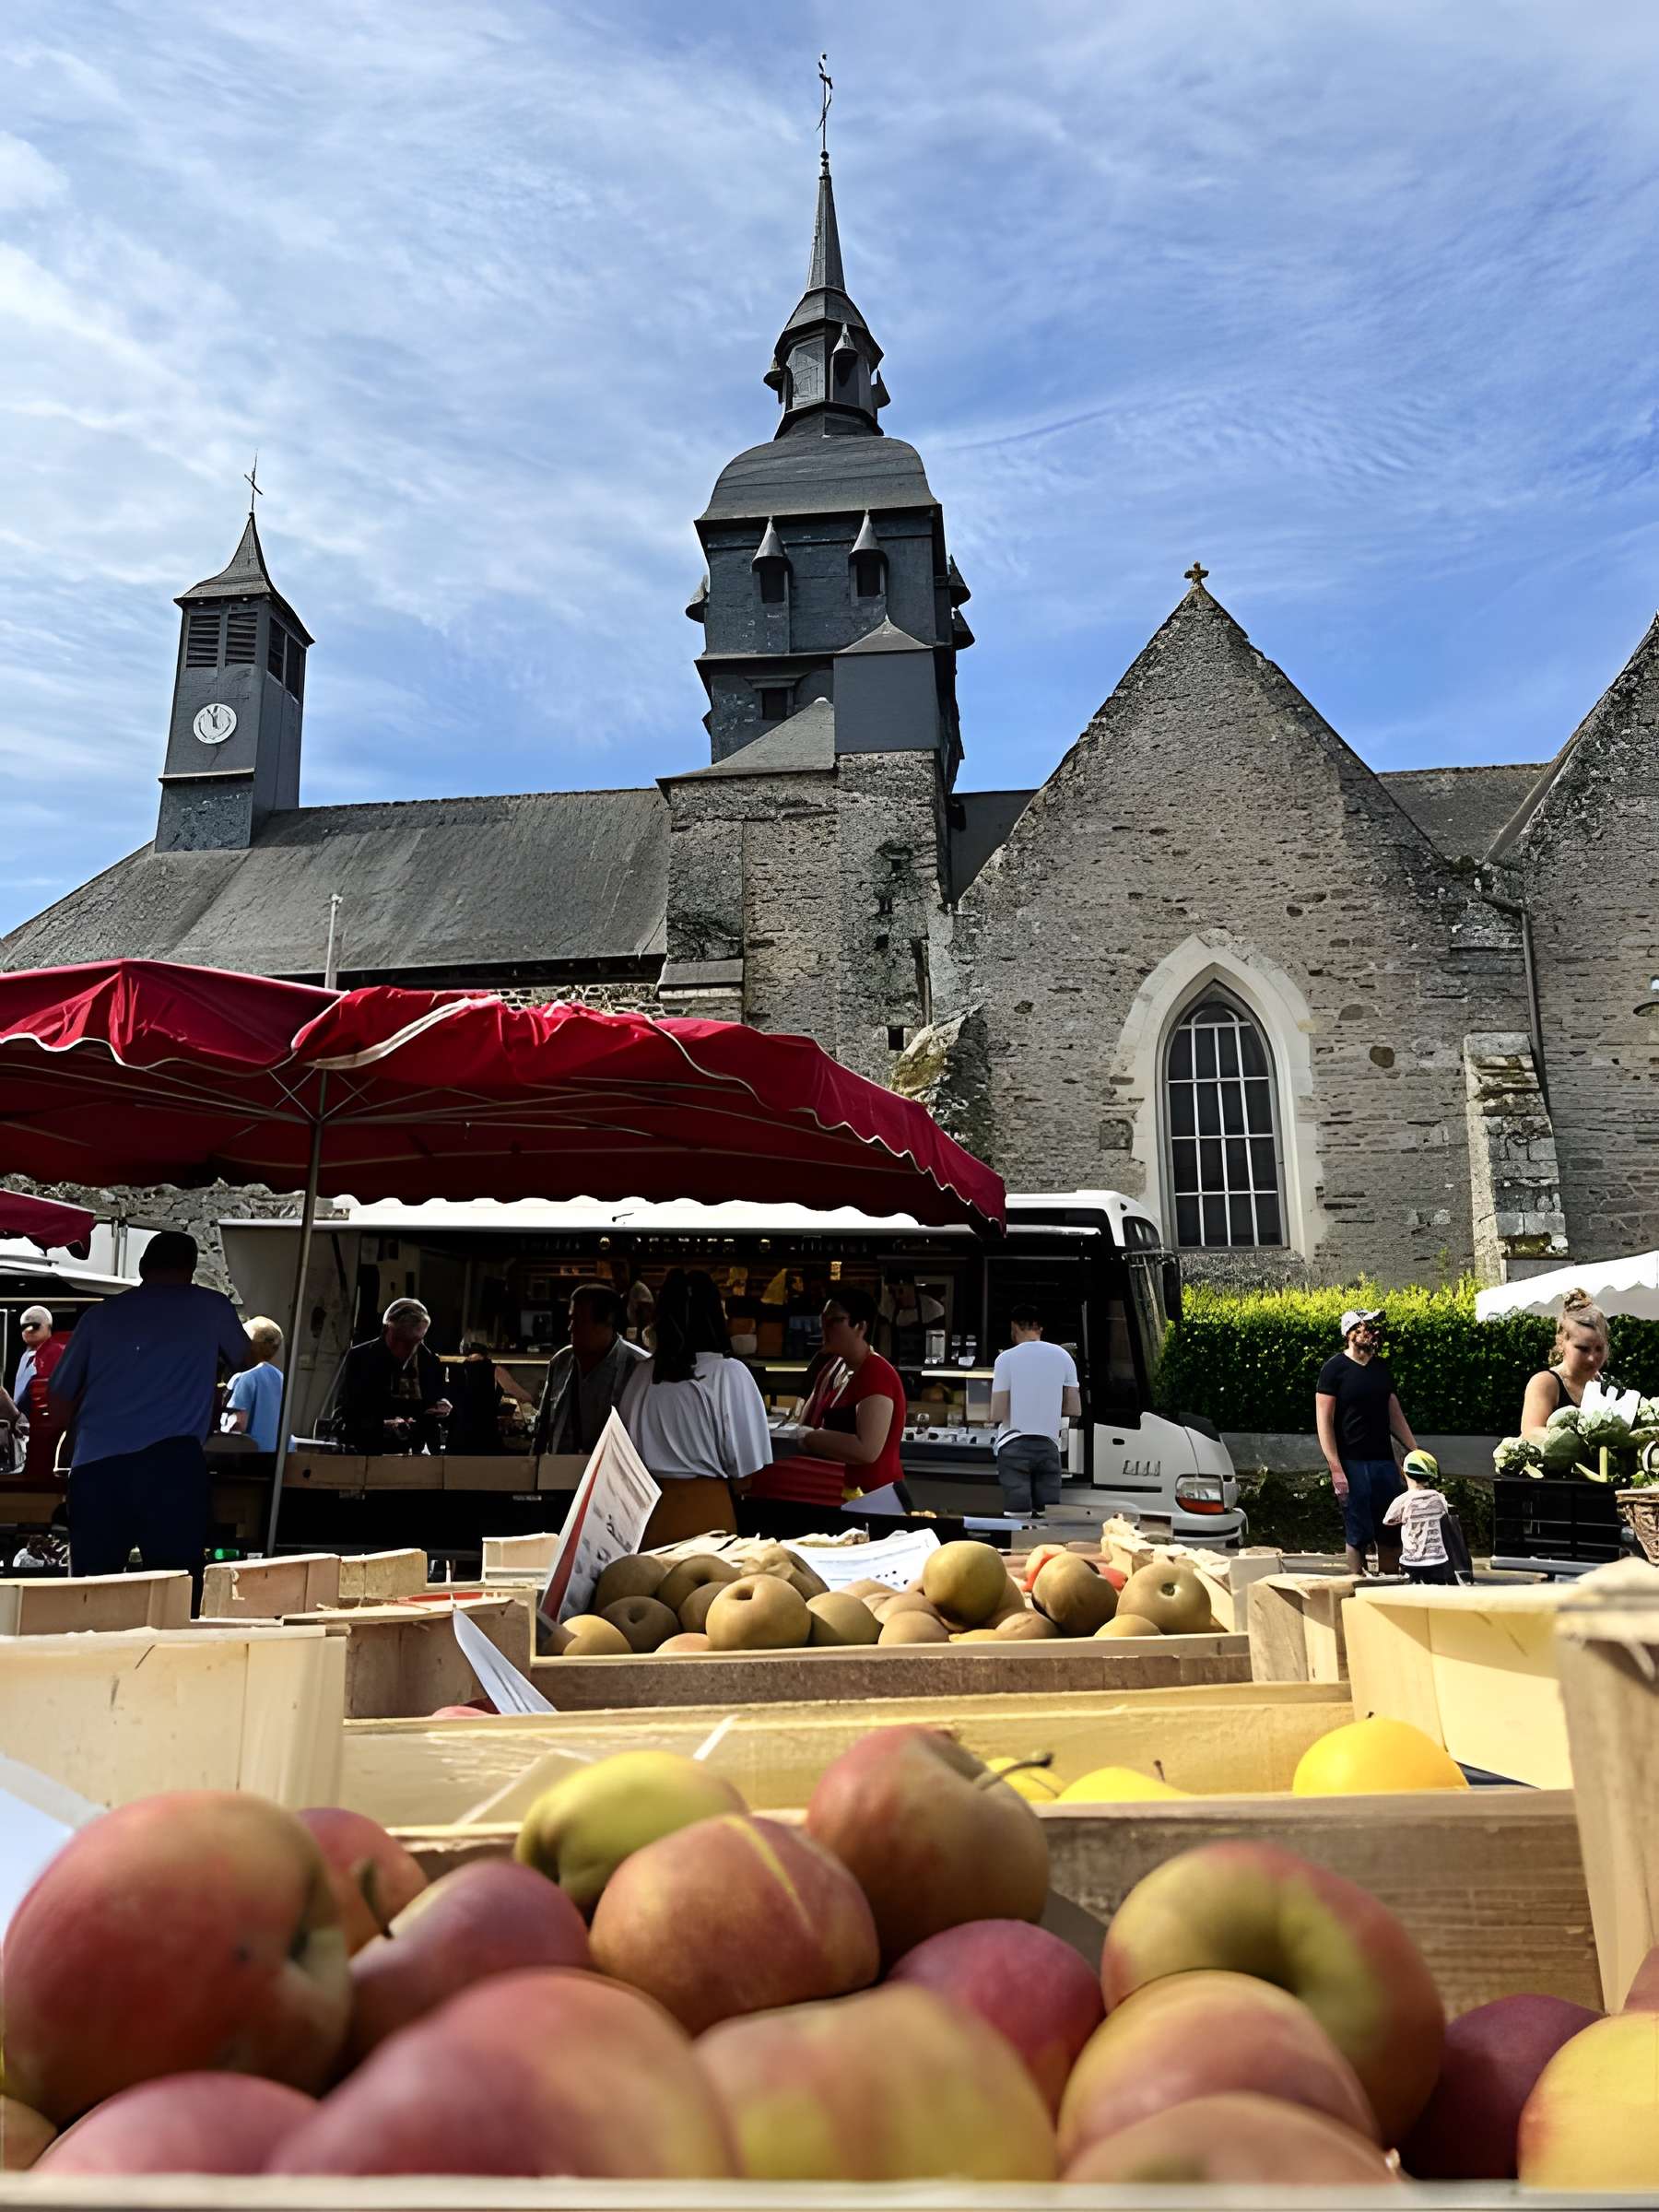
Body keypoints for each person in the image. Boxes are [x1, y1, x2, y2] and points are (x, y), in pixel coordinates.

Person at [48, 1231, 253, 1606]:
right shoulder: (212, 1308)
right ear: (191, 1269)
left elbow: (59, 1401)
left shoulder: (100, 1317)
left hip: (98, 1468)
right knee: (175, 1594)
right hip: (172, 1466)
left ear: (142, 1267)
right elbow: (247, 1359)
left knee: (88, 1595)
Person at [619, 1269, 771, 1545]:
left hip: (646, 1522)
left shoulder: (641, 1375)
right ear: (717, 1315)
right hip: (708, 1522)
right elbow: (747, 1475)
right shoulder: (728, 1374)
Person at [754, 1287, 909, 1511]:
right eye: (822, 1320)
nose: (824, 1328)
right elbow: (805, 1422)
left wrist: (811, 1437)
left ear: (861, 1327)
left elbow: (866, 1449)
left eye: (834, 1321)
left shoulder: (876, 1372)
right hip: (844, 1496)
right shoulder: (834, 1367)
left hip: (874, 1500)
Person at [1314, 1307, 1418, 1576]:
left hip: (1383, 1460)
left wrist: (1414, 1452)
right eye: (1367, 1328)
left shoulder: (1381, 1368)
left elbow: (1394, 1414)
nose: (1373, 1333)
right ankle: (1356, 1584)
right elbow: (1324, 1421)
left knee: (1391, 1527)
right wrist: (1336, 1467)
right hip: (1352, 1461)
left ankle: (1390, 1583)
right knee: (1358, 1531)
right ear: (1351, 1334)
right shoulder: (1334, 1369)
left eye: (1374, 1328)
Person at [991, 1303, 1082, 1519]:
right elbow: (1074, 1408)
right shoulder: (1063, 1357)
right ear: (1040, 1328)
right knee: (1048, 1515)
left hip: (1013, 1445)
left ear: (1014, 1327)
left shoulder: (1005, 1359)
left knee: (1017, 1515)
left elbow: (997, 1412)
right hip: (1048, 1445)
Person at [534, 1287, 645, 1456]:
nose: (570, 1328)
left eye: (578, 1320)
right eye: (571, 1319)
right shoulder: (561, 1362)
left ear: (607, 1322)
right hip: (558, 1474)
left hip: (613, 1476)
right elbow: (542, 1430)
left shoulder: (639, 1367)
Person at [337, 1298, 453, 1453]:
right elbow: (344, 1418)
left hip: (418, 1457)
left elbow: (437, 1415)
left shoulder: (430, 1362)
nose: (408, 1350)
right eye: (402, 1341)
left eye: (416, 1342)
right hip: (370, 1452)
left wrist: (442, 1409)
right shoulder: (361, 1357)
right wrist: (382, 1425)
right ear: (387, 1331)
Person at [1521, 1289, 1611, 1444]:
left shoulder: (1604, 1384)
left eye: (1599, 1348)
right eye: (1582, 1348)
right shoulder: (1545, 1383)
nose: (1592, 1358)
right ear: (1562, 1343)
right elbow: (1531, 1432)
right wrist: (1584, 1442)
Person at [445, 1340, 537, 1454]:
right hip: (485, 1434)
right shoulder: (495, 1370)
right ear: (486, 1353)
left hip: (458, 1436)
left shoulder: (454, 1369)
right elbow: (522, 1395)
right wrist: (534, 1401)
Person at [1383, 1449, 1458, 1585]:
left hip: (1412, 1559)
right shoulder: (1439, 1497)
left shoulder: (1403, 1499)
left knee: (1413, 1588)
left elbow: (1388, 1520)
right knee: (1438, 1587)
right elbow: (1446, 1513)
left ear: (1404, 1471)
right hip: (1438, 1558)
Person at [15, 1305, 68, 1488]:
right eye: (24, 1326)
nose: (28, 1330)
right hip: (29, 1433)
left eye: (35, 1325)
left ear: (48, 1327)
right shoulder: (26, 1356)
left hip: (49, 1432)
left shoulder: (57, 1352)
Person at [223, 1316, 286, 1453]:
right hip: (276, 1459)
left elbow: (236, 1425)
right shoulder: (282, 1379)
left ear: (251, 1345)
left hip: (251, 1459)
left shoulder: (245, 1379)